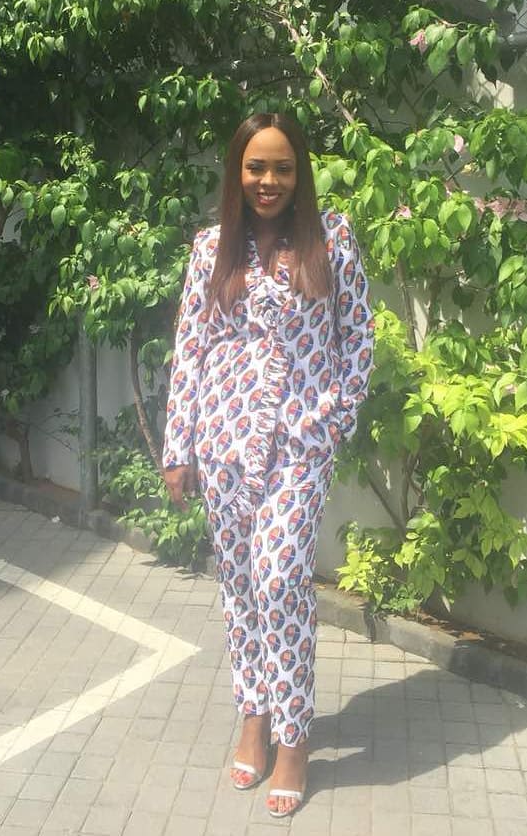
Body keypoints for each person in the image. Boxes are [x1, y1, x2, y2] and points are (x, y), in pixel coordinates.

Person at [162, 112, 373, 818]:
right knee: (240, 585)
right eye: (256, 167)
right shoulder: (211, 249)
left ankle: (294, 737)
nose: (269, 180)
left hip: (299, 445)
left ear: (299, 173)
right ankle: (253, 713)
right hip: (223, 443)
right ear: (237, 172)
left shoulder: (331, 239)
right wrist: (178, 446)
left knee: (280, 578)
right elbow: (191, 347)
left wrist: (336, 418)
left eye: (283, 167)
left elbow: (359, 336)